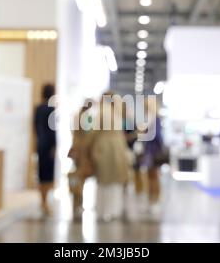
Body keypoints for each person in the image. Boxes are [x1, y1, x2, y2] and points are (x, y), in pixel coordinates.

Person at [90, 91, 131, 221]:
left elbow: (93, 131)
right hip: (118, 148)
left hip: (104, 148)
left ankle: (103, 210)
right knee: (115, 180)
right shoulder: (117, 113)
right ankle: (113, 209)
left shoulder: (102, 112)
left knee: (104, 180)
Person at [68, 99, 95, 216]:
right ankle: (78, 203)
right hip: (83, 150)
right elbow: (89, 134)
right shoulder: (87, 117)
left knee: (78, 176)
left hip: (76, 148)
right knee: (80, 177)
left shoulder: (76, 115)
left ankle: (76, 203)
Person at [34, 84, 57, 216]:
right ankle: (45, 202)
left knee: (41, 172)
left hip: (40, 144)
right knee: (48, 174)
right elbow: (52, 130)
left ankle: (42, 201)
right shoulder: (51, 109)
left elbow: (35, 127)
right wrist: (54, 145)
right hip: (49, 145)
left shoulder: (37, 108)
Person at [140, 98, 166, 205]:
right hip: (149, 150)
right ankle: (151, 197)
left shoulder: (155, 119)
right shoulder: (150, 119)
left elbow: (157, 137)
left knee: (154, 175)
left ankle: (155, 197)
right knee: (150, 175)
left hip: (153, 151)